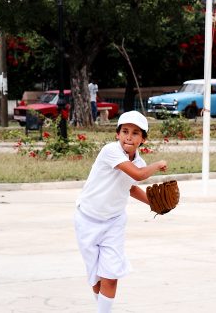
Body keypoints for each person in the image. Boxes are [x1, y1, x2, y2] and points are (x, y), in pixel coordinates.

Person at [74, 111, 168, 312]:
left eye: (135, 133)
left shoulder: (140, 162)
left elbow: (131, 187)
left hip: (114, 222)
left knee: (111, 274)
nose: (129, 136)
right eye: (125, 131)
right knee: (96, 277)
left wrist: (155, 204)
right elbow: (138, 175)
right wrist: (158, 164)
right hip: (87, 219)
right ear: (117, 134)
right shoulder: (110, 151)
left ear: (143, 139)